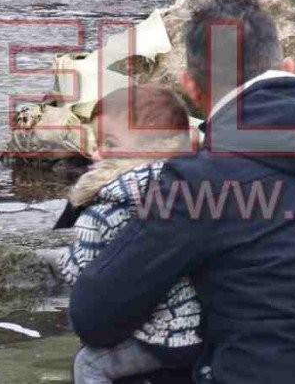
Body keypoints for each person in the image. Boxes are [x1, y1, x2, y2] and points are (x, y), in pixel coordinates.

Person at [67, 0, 295, 384]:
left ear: (191, 89)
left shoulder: (199, 182)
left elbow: (93, 317)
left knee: (103, 360)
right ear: (289, 68)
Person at [57, 84, 203, 384]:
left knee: (89, 364)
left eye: (108, 141)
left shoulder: (112, 197)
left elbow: (83, 271)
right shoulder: (198, 181)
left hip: (160, 337)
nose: (96, 153)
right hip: (203, 332)